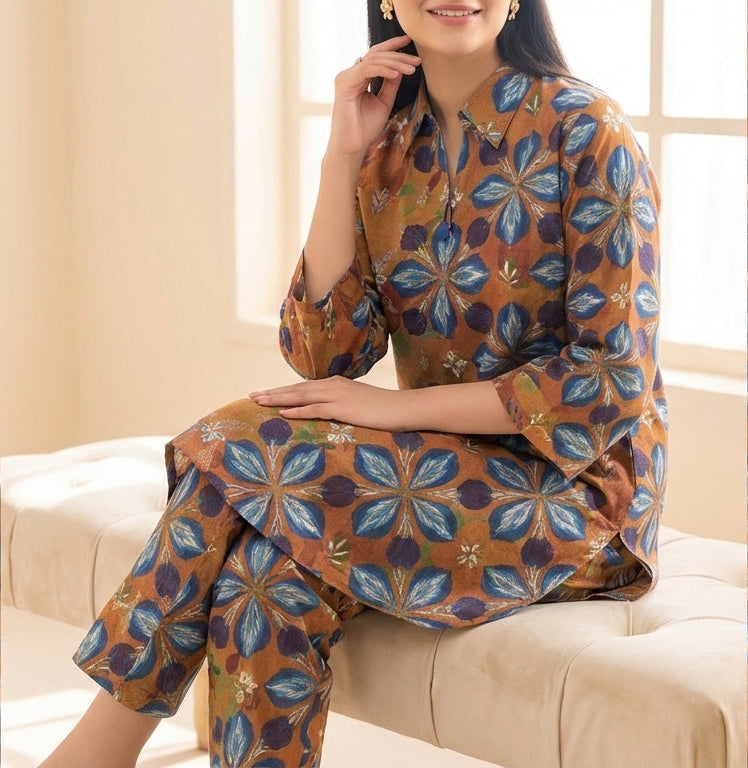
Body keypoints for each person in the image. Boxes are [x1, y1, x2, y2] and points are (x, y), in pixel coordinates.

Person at [39, 1, 667, 766]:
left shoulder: (586, 130)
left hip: (577, 496)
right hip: (431, 469)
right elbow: (322, 352)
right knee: (264, 583)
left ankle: (91, 753)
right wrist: (342, 157)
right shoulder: (388, 146)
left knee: (237, 440)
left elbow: (609, 380)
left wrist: (397, 410)